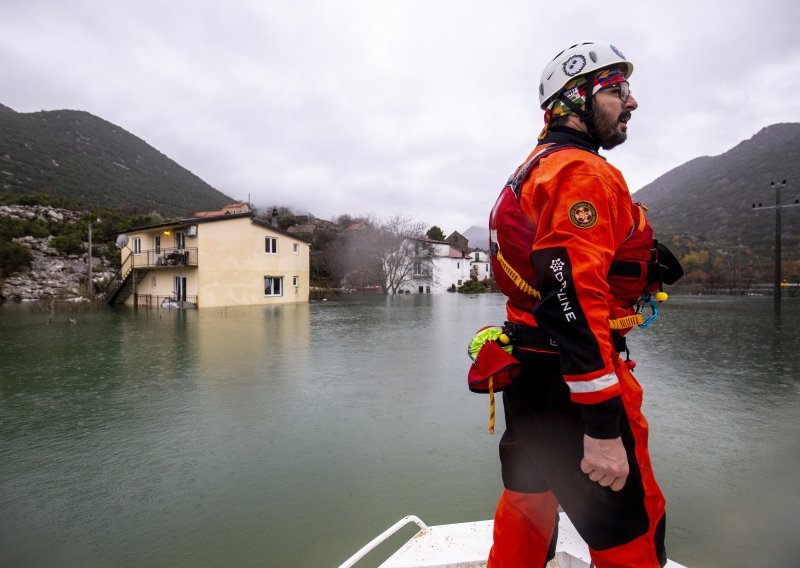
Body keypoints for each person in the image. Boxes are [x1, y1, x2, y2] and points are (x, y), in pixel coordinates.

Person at [486, 41, 681, 567]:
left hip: (529, 376)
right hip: (573, 386)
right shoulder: (580, 173)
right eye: (617, 91)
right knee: (631, 533)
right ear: (574, 99)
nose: (632, 103)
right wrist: (600, 430)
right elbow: (571, 295)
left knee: (527, 506)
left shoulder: (531, 169)